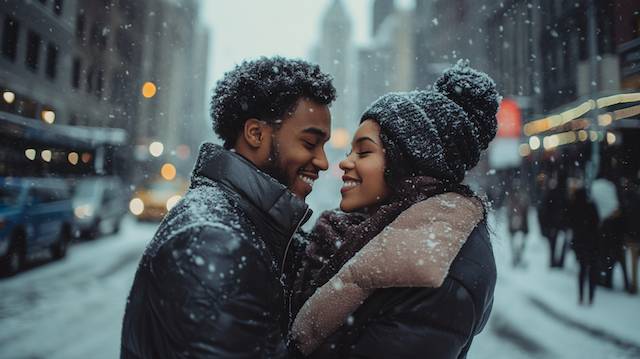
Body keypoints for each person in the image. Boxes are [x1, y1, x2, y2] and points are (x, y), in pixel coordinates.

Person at [120, 56, 336, 358]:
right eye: (310, 143)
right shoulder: (215, 242)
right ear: (256, 134)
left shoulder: (246, 227)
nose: (324, 162)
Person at [290, 60, 498, 358]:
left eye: (364, 151)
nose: (345, 162)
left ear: (406, 163)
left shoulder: (439, 270)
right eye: (349, 151)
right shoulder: (362, 233)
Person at [568, 187, 599, 305]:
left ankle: (581, 296)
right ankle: (591, 296)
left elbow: (570, 222)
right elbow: (596, 222)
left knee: (582, 270)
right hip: (592, 242)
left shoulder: (574, 207)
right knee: (592, 270)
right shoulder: (591, 206)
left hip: (579, 243)